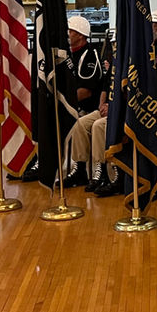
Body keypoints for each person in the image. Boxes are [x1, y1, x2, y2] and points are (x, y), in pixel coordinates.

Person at [91, 26, 157, 198]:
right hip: (153, 112)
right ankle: (115, 174)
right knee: (103, 125)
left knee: (151, 129)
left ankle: (155, 180)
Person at [60, 15, 103, 187]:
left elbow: (85, 92)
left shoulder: (89, 55)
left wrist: (62, 102)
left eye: (71, 31)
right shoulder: (68, 55)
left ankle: (80, 167)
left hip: (87, 107)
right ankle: (42, 162)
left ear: (81, 35)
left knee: (76, 122)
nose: (68, 34)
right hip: (70, 104)